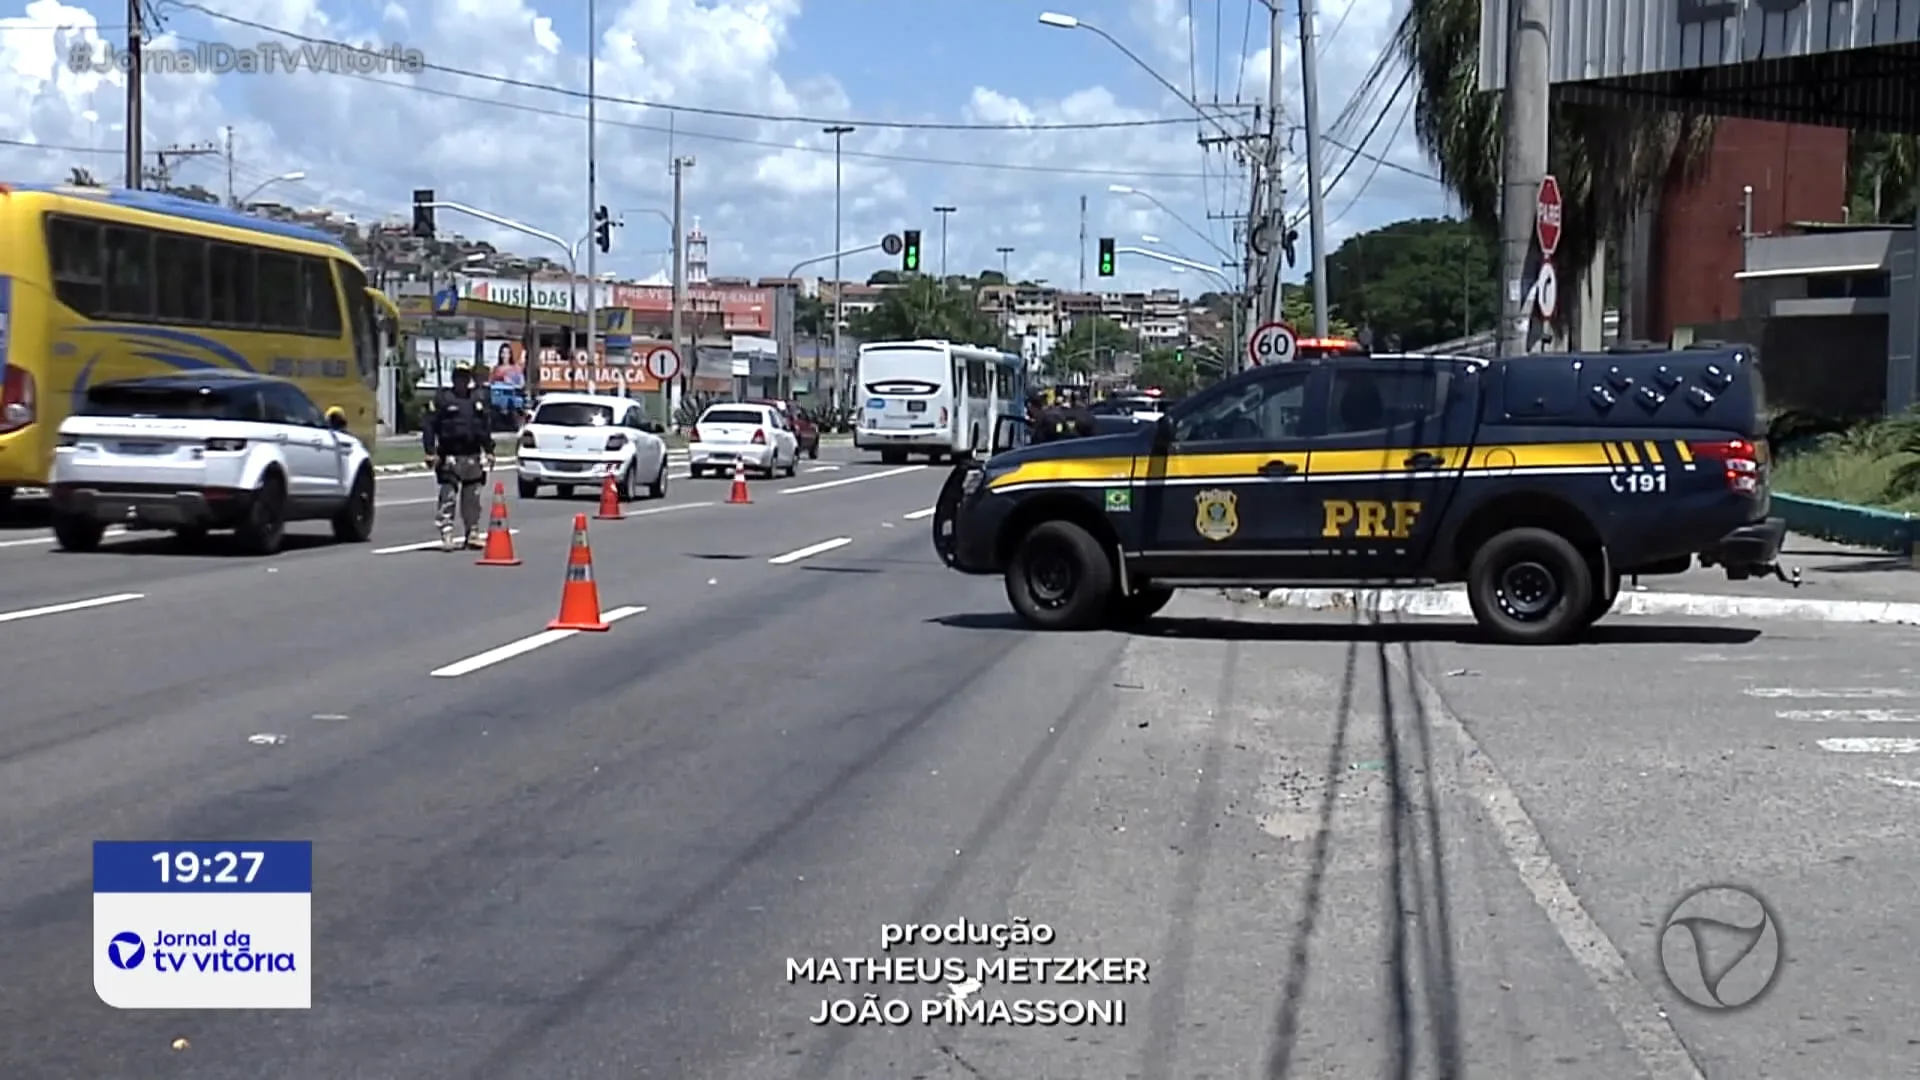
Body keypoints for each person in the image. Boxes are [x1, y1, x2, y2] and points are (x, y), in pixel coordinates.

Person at [422, 358, 497, 551]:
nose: (462, 381)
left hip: (472, 455)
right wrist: (430, 452)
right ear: (453, 378)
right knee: (448, 497)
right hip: (450, 456)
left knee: (472, 497)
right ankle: (447, 533)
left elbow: (484, 428)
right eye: (458, 377)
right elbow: (429, 426)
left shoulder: (476, 400)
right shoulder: (443, 399)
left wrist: (489, 450)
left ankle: (472, 532)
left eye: (465, 377)